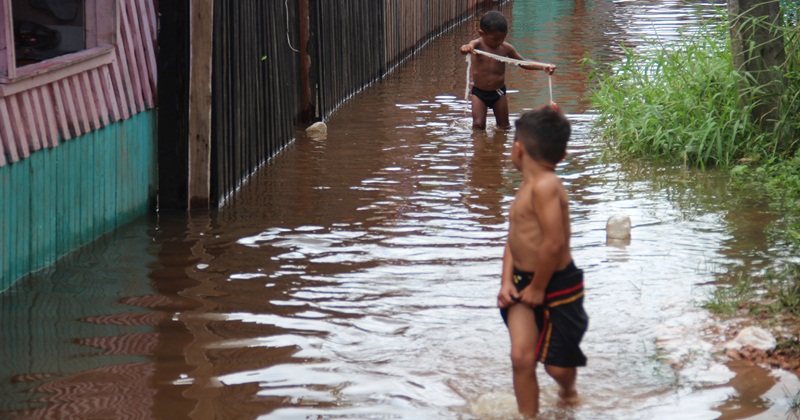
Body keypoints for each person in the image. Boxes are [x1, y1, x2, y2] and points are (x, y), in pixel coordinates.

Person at [498, 106, 588, 417]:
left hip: (558, 284)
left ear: (518, 149)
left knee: (556, 367)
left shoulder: (547, 186)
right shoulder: (524, 187)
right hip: (523, 283)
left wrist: (538, 288)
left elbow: (553, 243)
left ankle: (568, 390)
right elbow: (514, 240)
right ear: (562, 155)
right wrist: (506, 280)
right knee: (521, 358)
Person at [460, 11, 555, 130]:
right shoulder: (477, 45)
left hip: (498, 94)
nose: (499, 42)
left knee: (504, 127)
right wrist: (466, 48)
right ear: (481, 33)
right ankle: (480, 148)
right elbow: (465, 49)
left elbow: (522, 62)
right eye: (495, 39)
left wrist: (543, 67)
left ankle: (500, 146)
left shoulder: (505, 48)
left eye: (502, 38)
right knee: (478, 125)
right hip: (479, 93)